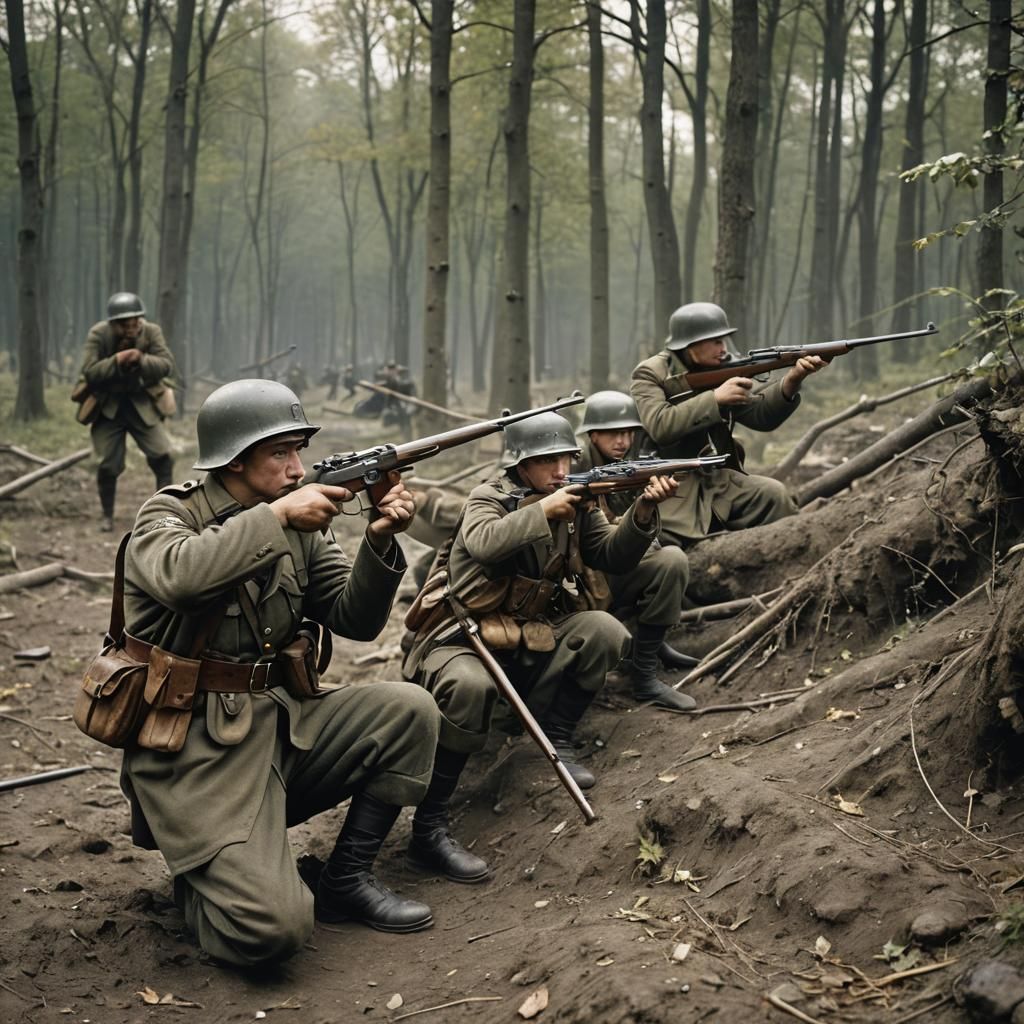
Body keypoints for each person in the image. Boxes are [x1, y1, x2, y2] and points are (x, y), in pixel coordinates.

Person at [120, 379, 441, 967]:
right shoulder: (169, 513)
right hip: (194, 755)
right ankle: (202, 887)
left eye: (299, 450)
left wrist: (378, 540)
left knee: (409, 710)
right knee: (273, 932)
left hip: (282, 728)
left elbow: (354, 619)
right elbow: (181, 576)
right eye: (281, 453)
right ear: (236, 458)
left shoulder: (298, 525)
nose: (298, 468)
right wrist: (275, 519)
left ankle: (344, 878)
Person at [401, 412, 676, 882]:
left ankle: (559, 737)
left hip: (533, 631)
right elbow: (485, 544)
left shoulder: (574, 502)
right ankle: (429, 825)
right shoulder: (489, 498)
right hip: (466, 635)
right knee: (468, 686)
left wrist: (643, 513)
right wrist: (543, 512)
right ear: (520, 465)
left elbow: (611, 555)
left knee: (605, 631)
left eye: (566, 458)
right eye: (546, 461)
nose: (560, 470)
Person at [630, 302, 827, 546]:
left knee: (773, 495)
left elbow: (761, 417)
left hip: (717, 478)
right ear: (690, 344)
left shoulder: (725, 367)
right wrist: (715, 399)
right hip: (667, 486)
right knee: (667, 546)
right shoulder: (650, 374)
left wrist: (793, 379)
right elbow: (660, 425)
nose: (722, 347)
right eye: (715, 341)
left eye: (723, 340)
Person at [574, 391, 699, 711]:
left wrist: (646, 504)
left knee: (670, 560)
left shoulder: (621, 464)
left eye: (629, 432)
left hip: (606, 566)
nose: (624, 441)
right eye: (615, 433)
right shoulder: (571, 465)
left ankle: (645, 671)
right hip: (573, 583)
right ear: (593, 434)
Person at [78, 292, 177, 532]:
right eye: (124, 323)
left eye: (135, 321)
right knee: (108, 464)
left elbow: (166, 365)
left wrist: (140, 359)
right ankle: (107, 516)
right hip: (108, 407)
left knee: (163, 455)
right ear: (113, 324)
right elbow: (90, 372)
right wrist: (119, 360)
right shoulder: (99, 335)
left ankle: (164, 514)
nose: (131, 327)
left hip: (142, 404)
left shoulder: (151, 332)